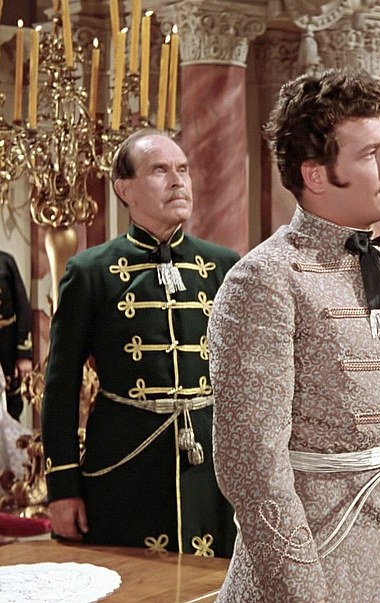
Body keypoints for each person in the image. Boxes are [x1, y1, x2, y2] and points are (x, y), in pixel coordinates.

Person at [207, 68, 380, 603]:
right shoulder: (264, 280)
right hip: (310, 567)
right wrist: (303, 592)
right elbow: (253, 468)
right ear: (315, 175)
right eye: (370, 154)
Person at [40, 129, 239, 557]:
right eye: (160, 170)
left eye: (183, 169)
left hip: (210, 466)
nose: (177, 181)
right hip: (124, 465)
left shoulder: (225, 267)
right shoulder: (90, 271)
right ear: (124, 189)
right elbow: (60, 385)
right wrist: (62, 487)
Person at [0, 251, 33, 421]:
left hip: (6, 346)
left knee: (12, 406)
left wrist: (24, 354)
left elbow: (22, 308)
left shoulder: (6, 262)